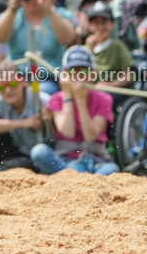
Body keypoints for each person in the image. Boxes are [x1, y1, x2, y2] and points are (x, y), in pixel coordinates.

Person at [30, 46, 119, 175]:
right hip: (65, 160)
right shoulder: (56, 99)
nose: (78, 76)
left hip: (95, 160)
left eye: (83, 71)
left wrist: (81, 101)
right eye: (73, 71)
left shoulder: (104, 99)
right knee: (39, 152)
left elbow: (90, 137)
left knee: (112, 169)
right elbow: (68, 133)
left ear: (92, 74)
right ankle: (74, 177)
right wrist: (68, 96)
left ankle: (75, 178)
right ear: (65, 74)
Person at [0, 0, 76, 95]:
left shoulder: (60, 14)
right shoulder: (13, 15)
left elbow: (67, 39)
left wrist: (49, 10)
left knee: (37, 93)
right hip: (16, 77)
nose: (32, 0)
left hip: (48, 77)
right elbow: (0, 37)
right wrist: (12, 8)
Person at [0, 62, 51, 171]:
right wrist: (24, 123)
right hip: (13, 152)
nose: (7, 91)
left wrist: (50, 121)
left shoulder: (40, 100)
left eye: (12, 84)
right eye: (1, 88)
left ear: (22, 82)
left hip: (36, 156)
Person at [83, 0, 135, 91]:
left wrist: (111, 85)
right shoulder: (84, 49)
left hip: (113, 93)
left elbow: (129, 75)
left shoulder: (118, 46)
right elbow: (81, 74)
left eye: (104, 22)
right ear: (90, 26)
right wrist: (89, 51)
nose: (100, 27)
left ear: (112, 24)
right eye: (96, 23)